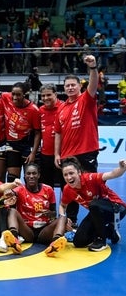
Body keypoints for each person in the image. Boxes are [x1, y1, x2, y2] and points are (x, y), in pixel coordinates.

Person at [54, 54, 100, 226]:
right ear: (64, 88)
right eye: (67, 86)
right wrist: (57, 154)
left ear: (80, 86)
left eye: (73, 85)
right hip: (67, 156)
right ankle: (71, 223)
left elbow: (93, 84)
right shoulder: (62, 108)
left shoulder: (86, 99)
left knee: (92, 189)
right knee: (71, 189)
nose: (70, 88)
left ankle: (98, 222)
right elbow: (58, 133)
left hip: (87, 152)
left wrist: (93, 67)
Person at [59, 158, 126, 252]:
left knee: (93, 205)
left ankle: (101, 240)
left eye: (71, 173)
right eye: (65, 175)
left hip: (117, 209)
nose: (69, 177)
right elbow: (62, 205)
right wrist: (63, 218)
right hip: (96, 213)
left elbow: (112, 174)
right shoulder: (67, 189)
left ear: (79, 172)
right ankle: (110, 232)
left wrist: (122, 168)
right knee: (79, 242)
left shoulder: (90, 178)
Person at [1, 163, 68, 257]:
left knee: (63, 218)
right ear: (24, 176)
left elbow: (54, 214)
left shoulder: (48, 190)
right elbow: (10, 194)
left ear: (39, 175)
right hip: (27, 231)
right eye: (28, 174)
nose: (31, 176)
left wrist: (50, 214)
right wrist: (8, 193)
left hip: (44, 231)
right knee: (12, 211)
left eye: (34, 173)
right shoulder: (19, 190)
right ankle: (14, 240)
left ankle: (54, 245)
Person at [0, 82, 41, 182]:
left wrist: (33, 153)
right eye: (13, 94)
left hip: (27, 145)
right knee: (12, 178)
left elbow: (38, 133)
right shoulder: (7, 97)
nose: (14, 97)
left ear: (24, 94)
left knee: (30, 178)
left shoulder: (33, 110)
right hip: (12, 144)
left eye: (18, 94)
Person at [38, 84, 64, 188]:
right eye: (43, 96)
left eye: (49, 95)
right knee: (47, 187)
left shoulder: (64, 107)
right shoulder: (40, 110)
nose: (45, 98)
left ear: (56, 94)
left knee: (66, 186)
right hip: (45, 155)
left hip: (63, 154)